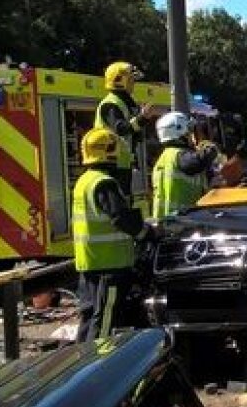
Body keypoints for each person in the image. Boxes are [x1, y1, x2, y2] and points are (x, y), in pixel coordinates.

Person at [72, 127, 154, 342]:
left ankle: (80, 362)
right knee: (105, 322)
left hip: (90, 263)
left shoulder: (84, 181)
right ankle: (100, 366)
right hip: (110, 266)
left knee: (89, 317)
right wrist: (146, 233)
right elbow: (120, 217)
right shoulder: (104, 183)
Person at [94, 61, 155, 197]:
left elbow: (132, 134)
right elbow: (120, 128)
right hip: (110, 164)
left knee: (125, 201)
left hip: (121, 163)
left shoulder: (126, 102)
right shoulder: (110, 103)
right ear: (119, 80)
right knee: (120, 201)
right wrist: (142, 118)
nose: (134, 83)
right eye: (131, 79)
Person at [151, 112, 218, 218]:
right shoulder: (178, 154)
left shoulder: (165, 157)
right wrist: (207, 146)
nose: (191, 136)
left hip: (167, 220)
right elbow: (198, 162)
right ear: (179, 132)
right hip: (182, 220)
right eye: (188, 132)